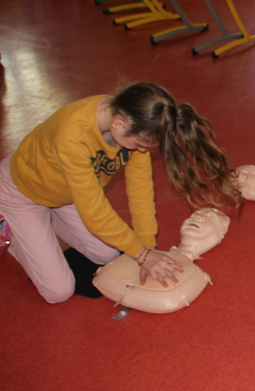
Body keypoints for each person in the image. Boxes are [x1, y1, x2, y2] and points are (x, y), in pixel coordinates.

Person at [0, 82, 240, 304]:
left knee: (107, 255)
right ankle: (13, 230)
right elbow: (95, 213)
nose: (143, 150)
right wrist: (142, 255)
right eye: (140, 145)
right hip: (22, 193)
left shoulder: (134, 117)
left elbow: (140, 191)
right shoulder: (72, 136)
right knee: (58, 292)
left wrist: (147, 247)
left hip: (67, 194)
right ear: (118, 125)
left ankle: (42, 224)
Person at [93, 208, 230, 314]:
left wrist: (146, 254)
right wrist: (145, 256)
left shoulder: (195, 274)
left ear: (220, 232)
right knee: (105, 253)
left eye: (210, 219)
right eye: (195, 214)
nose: (197, 217)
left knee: (106, 254)